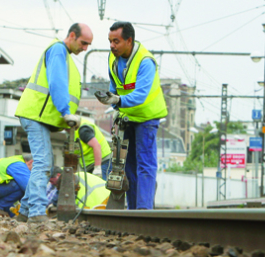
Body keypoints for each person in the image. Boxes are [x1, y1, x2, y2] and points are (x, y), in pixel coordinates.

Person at [14, 23, 93, 223]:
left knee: (45, 163)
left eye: (88, 45)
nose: (85, 48)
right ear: (72, 35)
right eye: (83, 43)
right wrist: (66, 112)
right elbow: (56, 82)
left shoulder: (64, 55)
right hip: (35, 115)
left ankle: (24, 211)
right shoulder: (58, 50)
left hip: (39, 117)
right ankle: (37, 213)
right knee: (42, 163)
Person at [97, 22, 168, 210]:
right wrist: (114, 105)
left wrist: (118, 101)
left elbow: (141, 95)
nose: (112, 45)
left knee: (145, 164)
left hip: (146, 117)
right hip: (127, 118)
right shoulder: (114, 59)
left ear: (129, 41)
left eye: (116, 41)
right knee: (128, 167)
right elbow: (115, 89)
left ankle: (144, 210)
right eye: (110, 41)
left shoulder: (145, 61)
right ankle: (134, 210)